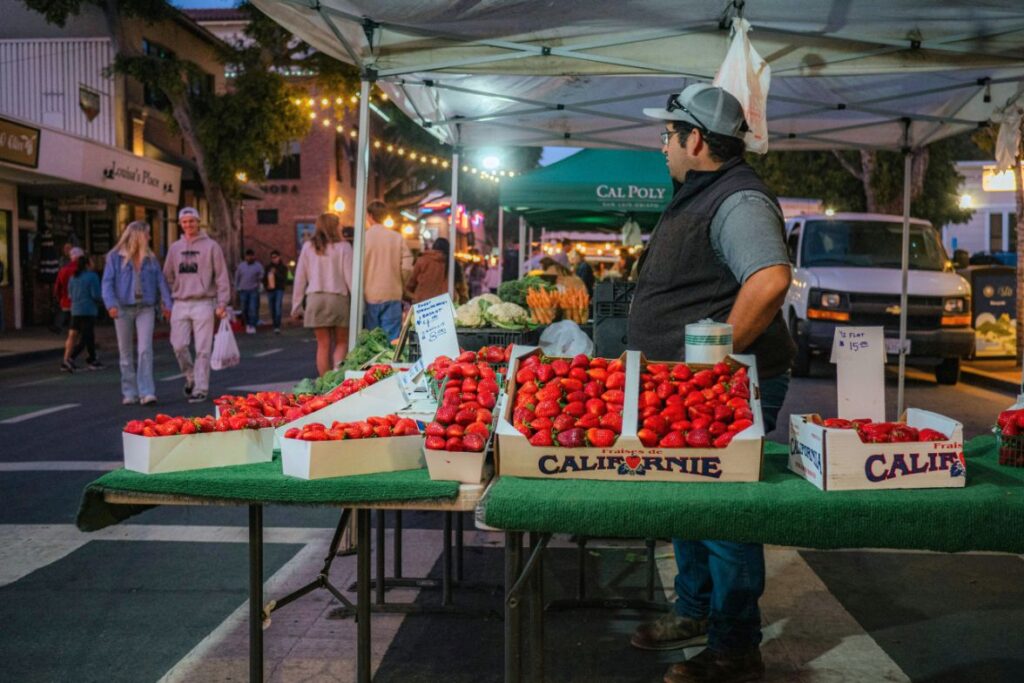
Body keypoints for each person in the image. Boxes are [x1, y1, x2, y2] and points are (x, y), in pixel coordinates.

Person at [627, 83, 795, 683]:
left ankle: (735, 647)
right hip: (691, 391)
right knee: (689, 501)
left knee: (723, 514)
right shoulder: (701, 192)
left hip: (726, 388)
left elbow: (770, 280)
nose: (662, 146)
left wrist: (711, 359)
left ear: (695, 139)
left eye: (667, 135)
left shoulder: (739, 199)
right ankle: (694, 612)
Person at [163, 207, 230, 404]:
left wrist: (222, 302)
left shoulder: (211, 246)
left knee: (203, 348)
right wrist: (166, 302)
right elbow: (166, 276)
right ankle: (190, 376)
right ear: (180, 224)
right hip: (180, 302)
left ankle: (201, 388)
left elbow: (221, 276)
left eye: (192, 221)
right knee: (179, 345)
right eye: (184, 222)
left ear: (198, 222)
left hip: (203, 301)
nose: (188, 225)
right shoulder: (175, 248)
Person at [102, 220, 173, 405]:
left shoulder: (150, 258)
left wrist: (168, 304)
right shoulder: (114, 257)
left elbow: (161, 282)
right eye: (147, 234)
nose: (149, 237)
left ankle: (147, 391)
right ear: (138, 236)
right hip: (122, 308)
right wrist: (111, 304)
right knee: (125, 352)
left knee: (145, 350)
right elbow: (107, 283)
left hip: (146, 307)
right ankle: (129, 392)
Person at [291, 212, 353, 376]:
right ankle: (338, 379)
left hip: (315, 299)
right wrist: (359, 302)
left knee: (322, 344)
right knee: (341, 342)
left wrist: (296, 306)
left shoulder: (308, 247)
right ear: (334, 226)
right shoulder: (344, 247)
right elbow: (350, 278)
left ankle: (324, 384)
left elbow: (300, 278)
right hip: (338, 298)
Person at [362, 199, 412, 340]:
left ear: (370, 215)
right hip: (392, 293)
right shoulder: (397, 238)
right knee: (391, 340)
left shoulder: (363, 238)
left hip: (370, 295)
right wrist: (400, 281)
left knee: (373, 340)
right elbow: (407, 266)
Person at [63, 255, 104, 372]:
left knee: (87, 335)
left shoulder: (73, 277)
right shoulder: (92, 276)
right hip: (88, 310)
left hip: (75, 310)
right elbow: (95, 294)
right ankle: (71, 358)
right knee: (86, 336)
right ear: (87, 265)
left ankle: (92, 358)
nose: (93, 264)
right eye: (91, 262)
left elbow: (70, 294)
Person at [405, 237, 461, 304]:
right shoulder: (452, 263)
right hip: (445, 303)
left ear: (433, 247)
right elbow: (460, 286)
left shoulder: (422, 260)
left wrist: (414, 296)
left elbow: (411, 282)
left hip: (423, 303)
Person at [55, 246, 84, 355]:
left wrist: (60, 299)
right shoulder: (81, 271)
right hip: (79, 305)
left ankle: (69, 356)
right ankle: (71, 356)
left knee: (71, 331)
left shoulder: (63, 270)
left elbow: (57, 288)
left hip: (66, 303)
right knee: (79, 332)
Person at [235, 248, 264, 334]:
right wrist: (237, 287)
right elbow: (237, 277)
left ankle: (252, 325)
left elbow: (262, 275)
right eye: (248, 256)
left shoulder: (258, 266)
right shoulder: (241, 266)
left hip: (253, 290)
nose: (250, 258)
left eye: (251, 256)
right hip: (243, 290)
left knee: (253, 308)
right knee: (244, 308)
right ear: (246, 257)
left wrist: (260, 282)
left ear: (254, 256)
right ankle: (247, 323)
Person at [264, 250, 288, 334]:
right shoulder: (268, 267)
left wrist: (276, 273)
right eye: (272, 258)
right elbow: (264, 278)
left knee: (278, 307)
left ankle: (277, 325)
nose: (273, 259)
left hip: (279, 289)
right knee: (272, 308)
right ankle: (274, 324)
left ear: (279, 257)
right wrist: (266, 286)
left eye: (275, 257)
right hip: (270, 290)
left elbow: (284, 279)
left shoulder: (283, 267)